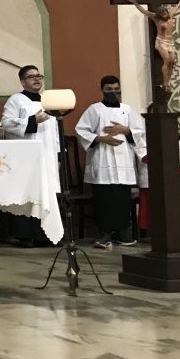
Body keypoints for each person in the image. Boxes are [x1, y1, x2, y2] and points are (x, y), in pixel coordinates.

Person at [75, 75, 144, 249]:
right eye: (109, 90)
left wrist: (125, 130)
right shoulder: (94, 110)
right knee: (104, 198)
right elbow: (81, 131)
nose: (113, 92)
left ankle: (122, 233)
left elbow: (140, 131)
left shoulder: (127, 110)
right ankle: (104, 234)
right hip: (102, 158)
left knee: (122, 198)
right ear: (102, 90)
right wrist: (101, 139)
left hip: (123, 159)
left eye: (116, 89)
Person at [1, 65, 59, 247]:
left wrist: (58, 153)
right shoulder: (16, 100)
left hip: (47, 155)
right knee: (27, 193)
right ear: (22, 81)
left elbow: (55, 131)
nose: (37, 79)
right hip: (25, 157)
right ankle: (25, 235)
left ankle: (45, 235)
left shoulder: (49, 102)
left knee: (46, 193)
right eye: (31, 76)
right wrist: (33, 120)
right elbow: (6, 123)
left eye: (39, 76)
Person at [129, 0, 180, 91]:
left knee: (172, 61)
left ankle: (168, 82)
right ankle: (165, 83)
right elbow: (144, 11)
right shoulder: (156, 18)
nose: (165, 15)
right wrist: (135, 2)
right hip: (161, 41)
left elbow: (177, 7)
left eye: (166, 12)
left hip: (170, 42)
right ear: (159, 14)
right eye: (163, 13)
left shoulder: (170, 15)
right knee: (167, 60)